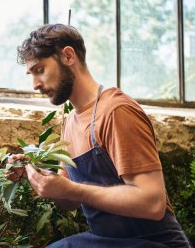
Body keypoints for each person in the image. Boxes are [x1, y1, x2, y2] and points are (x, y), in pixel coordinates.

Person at [15, 24, 192, 248]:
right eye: (31, 74)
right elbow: (69, 201)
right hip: (108, 240)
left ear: (68, 56)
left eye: (40, 70)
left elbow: (153, 204)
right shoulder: (69, 123)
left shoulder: (116, 111)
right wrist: (39, 179)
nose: (35, 85)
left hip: (152, 243)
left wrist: (72, 189)